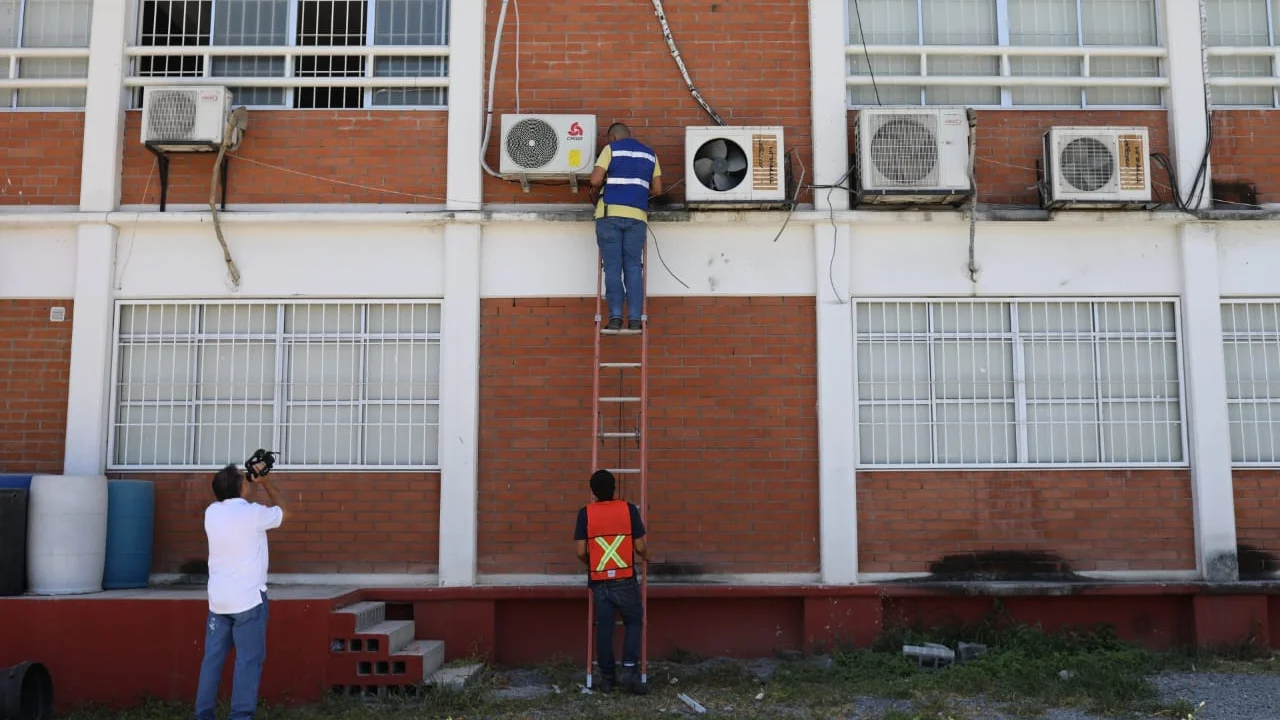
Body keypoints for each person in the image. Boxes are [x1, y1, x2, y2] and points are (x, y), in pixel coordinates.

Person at [194, 459, 285, 720]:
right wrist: (265, 481)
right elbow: (284, 512)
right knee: (248, 662)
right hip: (248, 601)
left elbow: (238, 502)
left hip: (218, 601)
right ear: (240, 488)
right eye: (243, 479)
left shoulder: (212, 512)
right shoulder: (253, 514)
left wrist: (247, 483)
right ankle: (241, 716)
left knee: (212, 661)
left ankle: (203, 715)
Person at [574, 469, 651, 695]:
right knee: (634, 621)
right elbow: (640, 547)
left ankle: (607, 679)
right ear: (614, 488)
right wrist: (648, 556)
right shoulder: (629, 510)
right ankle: (629, 670)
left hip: (599, 581)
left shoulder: (585, 513)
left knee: (604, 628)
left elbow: (580, 551)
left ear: (593, 492)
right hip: (625, 579)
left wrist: (594, 564)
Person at [589, 122, 664, 331]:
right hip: (637, 217)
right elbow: (658, 189)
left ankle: (615, 317)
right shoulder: (650, 154)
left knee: (612, 267)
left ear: (613, 137)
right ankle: (635, 319)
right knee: (633, 267)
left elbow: (595, 180)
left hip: (610, 215)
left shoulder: (611, 149)